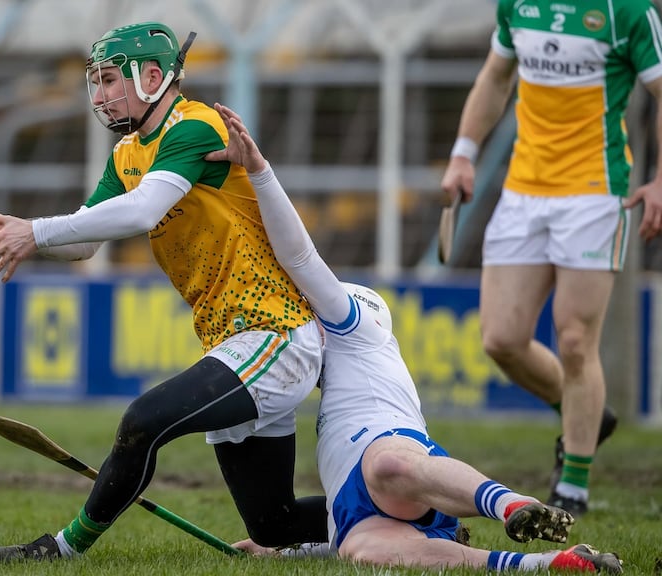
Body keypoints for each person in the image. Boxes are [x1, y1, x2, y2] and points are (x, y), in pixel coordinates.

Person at [0, 21, 329, 562]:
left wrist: (35, 230)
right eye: (95, 82)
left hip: (275, 333)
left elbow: (143, 211)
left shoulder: (198, 127)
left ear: (153, 76)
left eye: (110, 79)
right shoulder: (126, 155)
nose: (99, 93)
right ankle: (419, 519)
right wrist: (21, 233)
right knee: (274, 527)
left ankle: (64, 550)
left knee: (143, 421)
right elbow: (85, 239)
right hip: (232, 341)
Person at [205, 103, 623, 573]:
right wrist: (277, 547)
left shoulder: (352, 320)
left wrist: (259, 172)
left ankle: (510, 506)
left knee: (389, 468)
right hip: (352, 509)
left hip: (388, 454)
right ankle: (549, 563)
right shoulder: (299, 349)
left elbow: (300, 260)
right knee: (360, 551)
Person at [439, 0, 662, 516]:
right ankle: (582, 413)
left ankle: (574, 486)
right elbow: (496, 78)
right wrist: (463, 154)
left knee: (576, 338)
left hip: (595, 192)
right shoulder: (517, 4)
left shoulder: (626, 11)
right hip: (523, 192)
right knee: (501, 339)